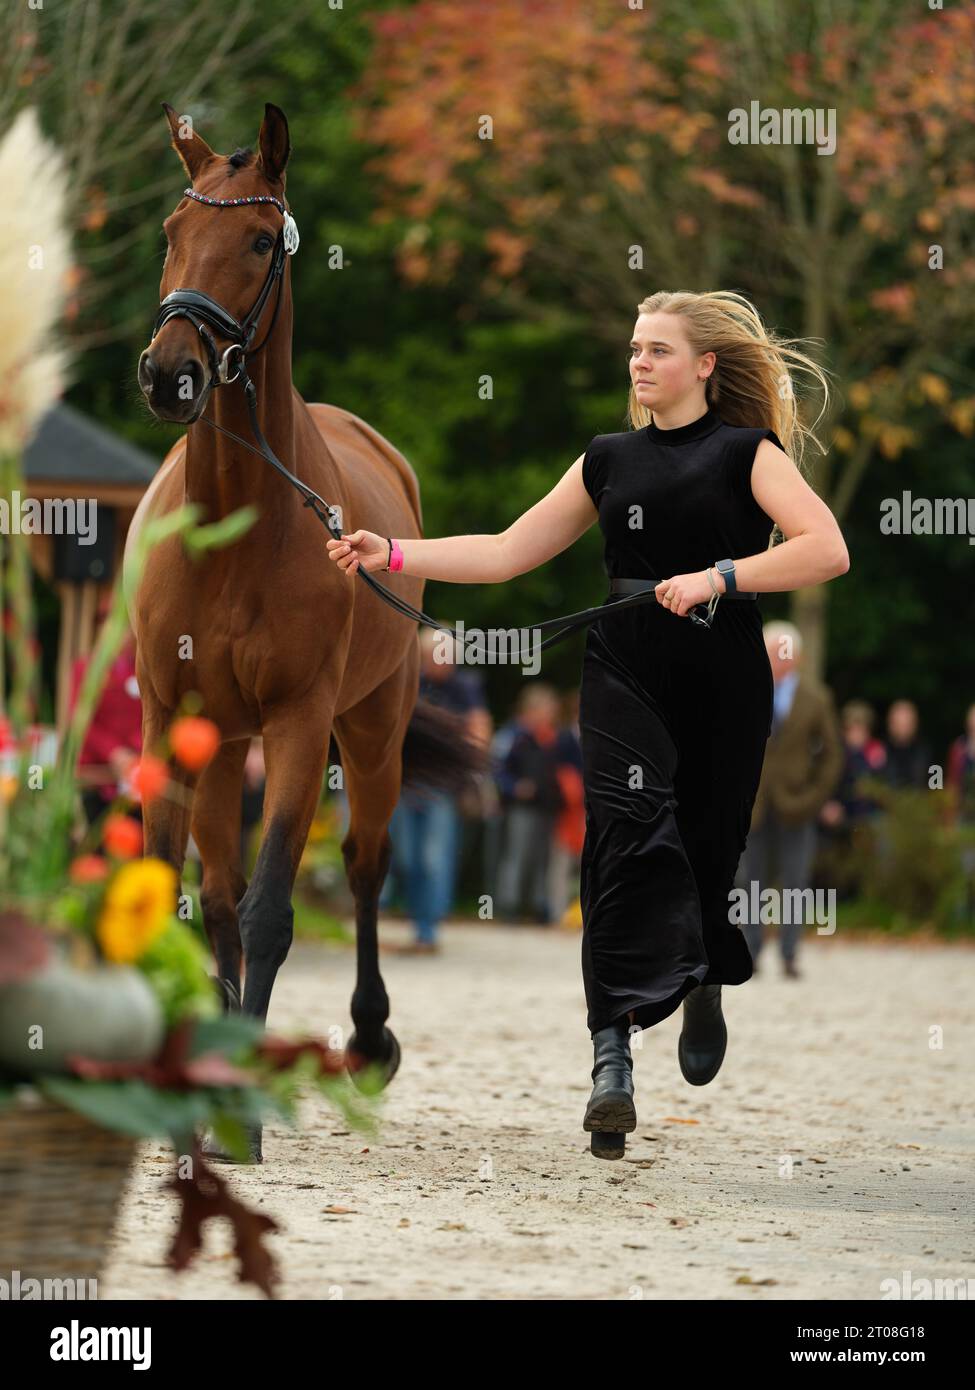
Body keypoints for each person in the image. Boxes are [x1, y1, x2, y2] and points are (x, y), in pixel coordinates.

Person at [325, 288, 849, 1159]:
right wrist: (395, 551)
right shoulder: (606, 459)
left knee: (704, 849)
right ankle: (611, 1056)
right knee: (617, 846)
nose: (638, 362)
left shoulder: (744, 454)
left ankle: (703, 975)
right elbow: (504, 551)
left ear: (705, 366)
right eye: (635, 348)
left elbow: (824, 547)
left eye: (658, 350)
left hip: (721, 675)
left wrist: (720, 576)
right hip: (623, 671)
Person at [735, 620, 844, 978]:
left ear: (796, 657)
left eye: (783, 653)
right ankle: (749, 952)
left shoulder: (817, 698)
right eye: (770, 653)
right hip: (754, 804)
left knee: (796, 882)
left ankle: (789, 953)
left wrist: (814, 798)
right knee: (750, 881)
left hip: (798, 805)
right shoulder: (746, 688)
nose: (777, 660)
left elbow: (832, 755)